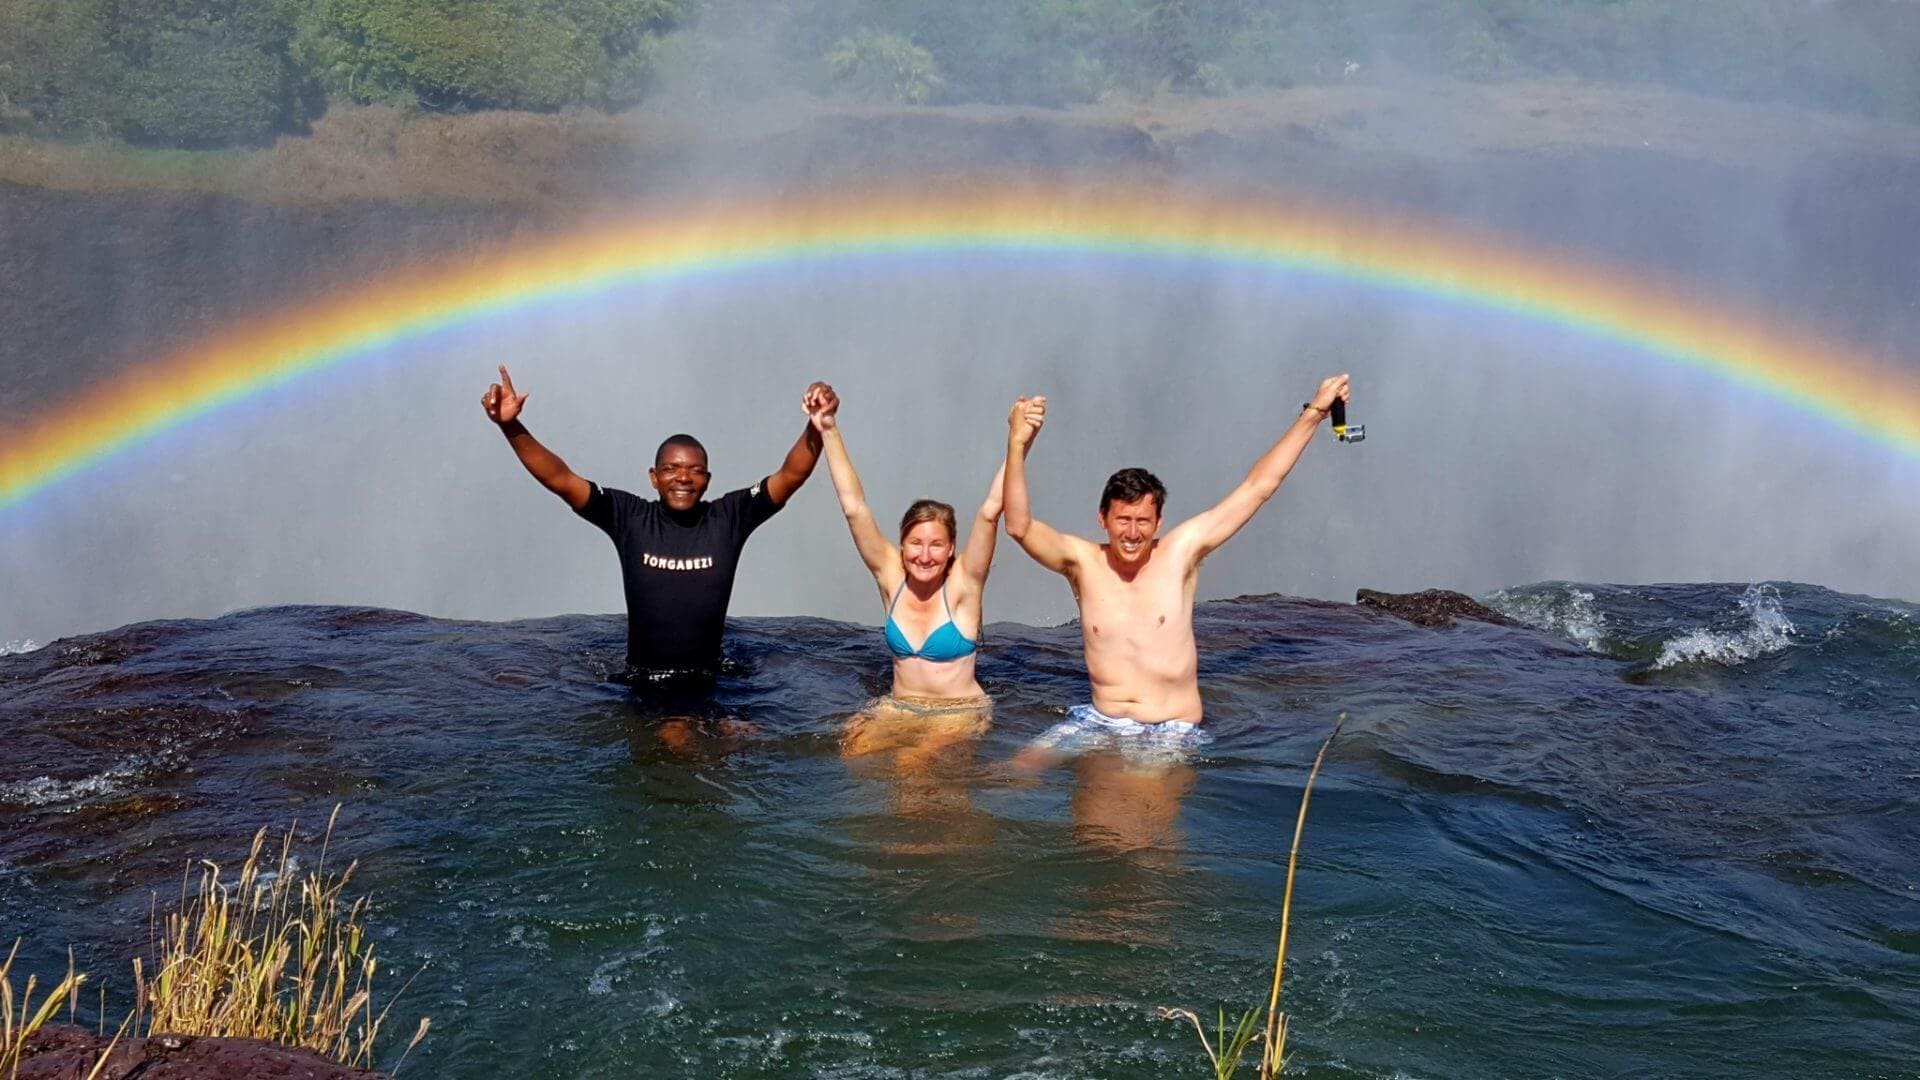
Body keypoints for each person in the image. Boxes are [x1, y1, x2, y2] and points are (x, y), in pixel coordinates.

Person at [1001, 376, 1352, 846]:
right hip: (1099, 721)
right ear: (1102, 518)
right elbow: (1018, 525)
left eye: (1142, 521)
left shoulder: (1181, 552)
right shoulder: (1081, 561)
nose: (1131, 532)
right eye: (1122, 520)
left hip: (1169, 731)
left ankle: (1145, 911)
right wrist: (1018, 443)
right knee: (1012, 778)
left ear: (1158, 522)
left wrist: (1314, 414)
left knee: (1138, 830)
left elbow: (1258, 487)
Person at [482, 364, 837, 680]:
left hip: (712, 681)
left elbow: (789, 476)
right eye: (671, 469)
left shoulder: (729, 517)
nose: (683, 477)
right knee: (676, 740)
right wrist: (511, 426)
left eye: (695, 470)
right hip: (642, 682)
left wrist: (816, 425)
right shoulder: (629, 517)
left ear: (708, 480)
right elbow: (560, 478)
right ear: (653, 477)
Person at [805, 389, 1016, 780]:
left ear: (951, 547)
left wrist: (1018, 441)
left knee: (911, 764)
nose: (924, 555)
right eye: (916, 543)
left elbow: (991, 511)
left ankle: (936, 839)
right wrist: (829, 429)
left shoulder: (964, 585)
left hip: (959, 713)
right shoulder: (890, 577)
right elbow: (854, 507)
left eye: (936, 545)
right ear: (901, 545)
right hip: (899, 706)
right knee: (851, 755)